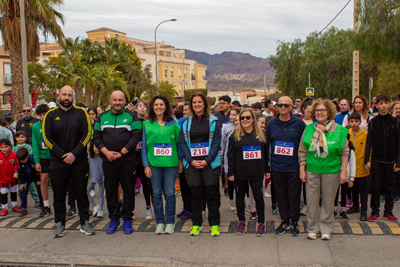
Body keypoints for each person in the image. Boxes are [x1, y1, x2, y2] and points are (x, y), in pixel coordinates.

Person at [43, 85, 95, 238]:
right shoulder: (50, 115)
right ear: (59, 96)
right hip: (58, 162)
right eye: (64, 95)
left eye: (70, 95)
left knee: (81, 193)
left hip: (78, 161)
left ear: (73, 97)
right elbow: (47, 138)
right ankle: (59, 223)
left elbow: (87, 135)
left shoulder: (81, 113)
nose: (67, 98)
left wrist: (73, 153)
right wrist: (62, 155)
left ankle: (85, 221)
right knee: (58, 194)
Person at [299, 99, 349, 240]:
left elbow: (345, 152)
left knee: (328, 201)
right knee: (312, 200)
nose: (319, 113)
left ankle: (326, 228)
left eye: (323, 110)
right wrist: (302, 169)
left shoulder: (339, 130)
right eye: (317, 110)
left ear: (329, 112)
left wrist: (344, 171)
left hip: (332, 170)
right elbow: (302, 151)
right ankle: (312, 228)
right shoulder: (308, 129)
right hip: (312, 169)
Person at [93, 90, 142, 235]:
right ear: (110, 101)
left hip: (127, 160)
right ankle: (114, 218)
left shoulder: (132, 116)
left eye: (120, 100)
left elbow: (136, 136)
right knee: (111, 191)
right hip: (108, 161)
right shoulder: (101, 117)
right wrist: (106, 152)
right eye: (115, 100)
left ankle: (127, 218)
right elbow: (96, 137)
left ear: (124, 101)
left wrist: (121, 153)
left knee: (128, 191)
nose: (117, 102)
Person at [179, 92, 222, 237]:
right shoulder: (186, 123)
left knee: (212, 194)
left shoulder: (214, 121)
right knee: (195, 195)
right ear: (191, 105)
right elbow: (183, 144)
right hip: (192, 164)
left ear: (205, 103)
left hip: (209, 164)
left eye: (199, 102)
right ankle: (196, 224)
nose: (197, 104)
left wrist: (206, 161)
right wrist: (191, 161)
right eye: (194, 102)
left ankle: (214, 224)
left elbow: (216, 144)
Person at [142, 95, 182, 235]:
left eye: (161, 104)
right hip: (154, 164)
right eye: (156, 104)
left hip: (170, 164)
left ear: (166, 106)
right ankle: (160, 222)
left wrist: (180, 162)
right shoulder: (146, 124)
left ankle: (170, 222)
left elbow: (179, 144)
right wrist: (146, 165)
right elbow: (144, 147)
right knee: (157, 194)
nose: (159, 107)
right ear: (152, 107)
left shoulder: (173, 123)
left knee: (170, 193)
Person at [266, 96, 306, 236]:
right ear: (276, 107)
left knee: (294, 196)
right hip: (277, 167)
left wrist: (303, 165)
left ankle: (294, 221)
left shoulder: (299, 124)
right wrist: (267, 167)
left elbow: (305, 145)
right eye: (280, 105)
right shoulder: (271, 124)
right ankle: (284, 221)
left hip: (294, 167)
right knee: (281, 196)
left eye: (286, 105)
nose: (283, 107)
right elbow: (267, 145)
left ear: (291, 107)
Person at [228, 108, 267, 236]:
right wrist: (231, 173)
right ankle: (241, 221)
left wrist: (267, 169)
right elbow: (230, 155)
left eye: (248, 117)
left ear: (252, 119)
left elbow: (266, 154)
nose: (245, 120)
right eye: (242, 118)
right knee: (240, 198)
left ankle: (261, 222)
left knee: (258, 198)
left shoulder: (261, 134)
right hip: (240, 173)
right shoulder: (234, 135)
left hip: (256, 172)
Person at [365, 94, 400, 222]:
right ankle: (375, 211)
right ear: (377, 105)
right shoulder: (373, 122)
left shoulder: (396, 122)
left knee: (390, 186)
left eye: (386, 103)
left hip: (391, 160)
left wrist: (398, 161)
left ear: (388, 104)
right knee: (376, 186)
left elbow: (398, 143)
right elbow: (369, 142)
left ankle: (388, 211)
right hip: (377, 159)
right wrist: (366, 160)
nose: (384, 106)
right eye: (381, 103)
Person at [346, 112, 369, 221]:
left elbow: (369, 149)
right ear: (349, 122)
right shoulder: (346, 133)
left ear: (360, 122)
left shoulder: (365, 134)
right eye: (352, 121)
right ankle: (355, 206)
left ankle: (363, 210)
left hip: (361, 166)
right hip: (350, 167)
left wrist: (368, 161)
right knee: (353, 188)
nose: (354, 123)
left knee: (363, 190)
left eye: (356, 121)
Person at [135, 99, 153, 220]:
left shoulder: (148, 123)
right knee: (130, 185)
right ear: (135, 109)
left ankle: (148, 208)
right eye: (139, 106)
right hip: (133, 157)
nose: (142, 108)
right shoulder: (132, 122)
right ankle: (131, 209)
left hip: (144, 158)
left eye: (144, 106)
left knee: (147, 185)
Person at [32, 104, 52, 217]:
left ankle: (61, 206)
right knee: (43, 180)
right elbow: (35, 144)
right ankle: (46, 206)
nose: (43, 117)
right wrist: (36, 161)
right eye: (40, 115)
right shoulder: (36, 126)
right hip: (43, 157)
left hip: (54, 156)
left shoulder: (53, 124)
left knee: (58, 182)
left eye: (45, 114)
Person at [12, 130, 40, 206]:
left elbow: (30, 155)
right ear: (15, 138)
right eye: (18, 137)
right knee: (21, 187)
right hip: (20, 170)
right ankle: (22, 200)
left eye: (22, 137)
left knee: (32, 187)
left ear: (25, 138)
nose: (20, 138)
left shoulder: (28, 146)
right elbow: (14, 158)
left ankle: (36, 199)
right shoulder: (14, 148)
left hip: (29, 170)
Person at [219, 108, 240, 210]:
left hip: (240, 158)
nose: (232, 117)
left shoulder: (243, 127)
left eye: (234, 115)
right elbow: (222, 142)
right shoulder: (226, 128)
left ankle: (242, 202)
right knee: (230, 179)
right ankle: (231, 201)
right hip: (229, 156)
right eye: (230, 115)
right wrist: (221, 155)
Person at [333, 132, 355, 221]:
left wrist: (351, 178)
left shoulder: (350, 151)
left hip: (346, 176)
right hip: (335, 174)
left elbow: (353, 165)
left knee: (344, 193)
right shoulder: (335, 149)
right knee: (335, 193)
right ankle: (333, 210)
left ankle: (343, 211)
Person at [16, 147, 44, 217]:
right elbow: (20, 172)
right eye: (21, 160)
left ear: (28, 156)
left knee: (40, 190)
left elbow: (38, 170)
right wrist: (22, 183)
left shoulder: (33, 159)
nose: (22, 161)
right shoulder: (19, 162)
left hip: (35, 176)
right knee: (23, 191)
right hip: (26, 178)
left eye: (24, 160)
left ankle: (43, 206)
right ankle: (24, 208)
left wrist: (38, 180)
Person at [0, 138, 20, 216]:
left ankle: (14, 206)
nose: (4, 149)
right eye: (1, 147)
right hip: (2, 179)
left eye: (6, 147)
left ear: (10, 147)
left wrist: (15, 172)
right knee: (3, 193)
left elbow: (16, 165)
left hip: (13, 179)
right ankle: (4, 208)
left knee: (13, 192)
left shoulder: (14, 155)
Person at [87, 142, 104, 218]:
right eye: (95, 147)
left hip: (101, 178)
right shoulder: (90, 157)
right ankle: (94, 206)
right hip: (93, 178)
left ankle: (100, 209)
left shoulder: (102, 158)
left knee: (101, 194)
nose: (97, 149)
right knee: (86, 191)